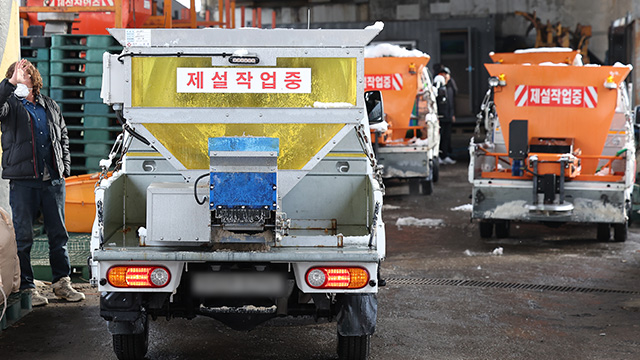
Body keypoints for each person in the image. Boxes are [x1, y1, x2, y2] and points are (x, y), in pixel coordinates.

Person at [0, 59, 85, 306]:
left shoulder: (50, 105)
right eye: (17, 74)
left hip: (52, 180)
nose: (22, 77)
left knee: (58, 234)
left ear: (34, 77)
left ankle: (62, 282)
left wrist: (64, 167)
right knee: (24, 237)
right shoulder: (10, 106)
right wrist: (10, 83)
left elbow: (64, 136)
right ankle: (27, 287)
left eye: (26, 73)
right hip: (23, 181)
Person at [434, 66, 457, 165]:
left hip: (448, 116)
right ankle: (438, 156)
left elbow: (452, 102)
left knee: (447, 137)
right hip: (439, 117)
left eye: (445, 74)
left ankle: (445, 155)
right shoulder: (436, 87)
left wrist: (453, 115)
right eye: (441, 74)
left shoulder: (451, 87)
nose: (444, 76)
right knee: (439, 137)